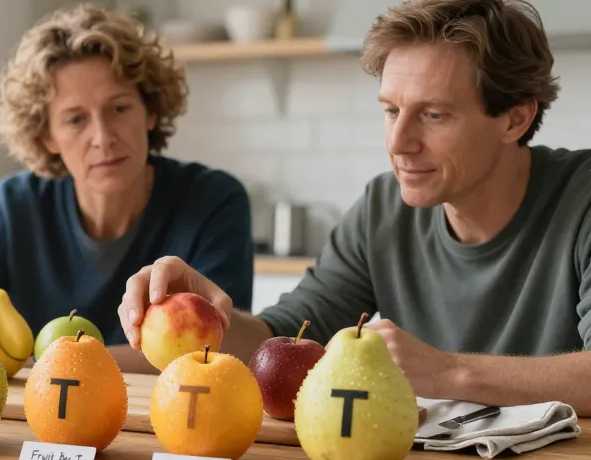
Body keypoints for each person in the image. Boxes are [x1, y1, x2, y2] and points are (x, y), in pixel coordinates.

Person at [119, 0, 591, 413]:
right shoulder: (382, 209)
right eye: (390, 110)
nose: (398, 142)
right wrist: (208, 314)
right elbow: (282, 342)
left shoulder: (582, 200)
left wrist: (447, 373)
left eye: (433, 114)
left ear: (515, 118)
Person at [0, 3, 254, 373]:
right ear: (47, 135)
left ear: (150, 110)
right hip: (37, 421)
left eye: (119, 108)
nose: (103, 137)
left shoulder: (214, 200)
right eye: (76, 119)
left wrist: (48, 366)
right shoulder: (16, 206)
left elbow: (224, 346)